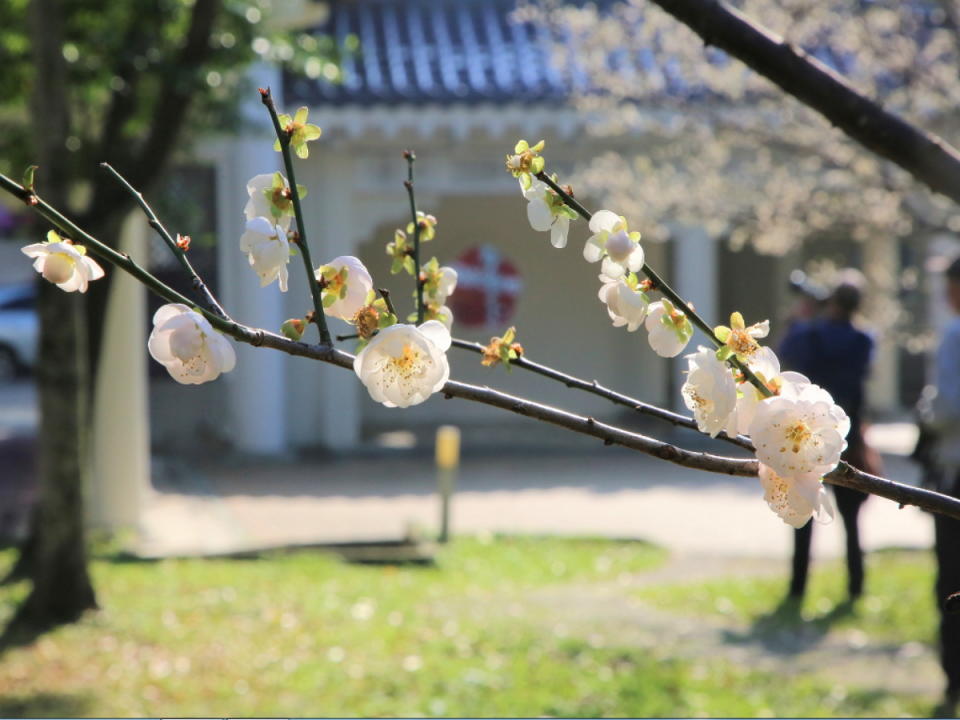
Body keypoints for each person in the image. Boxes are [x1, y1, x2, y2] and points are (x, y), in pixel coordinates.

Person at [779, 269, 877, 601]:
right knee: (851, 519)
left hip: (807, 433)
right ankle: (856, 586)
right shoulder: (864, 339)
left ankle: (797, 588)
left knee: (803, 511)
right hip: (849, 436)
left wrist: (799, 319)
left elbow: (785, 353)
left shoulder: (810, 334)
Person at [931, 256, 960, 714]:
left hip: (956, 473)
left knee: (953, 582)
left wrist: (927, 410)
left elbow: (948, 406)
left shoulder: (955, 334)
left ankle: (955, 677)